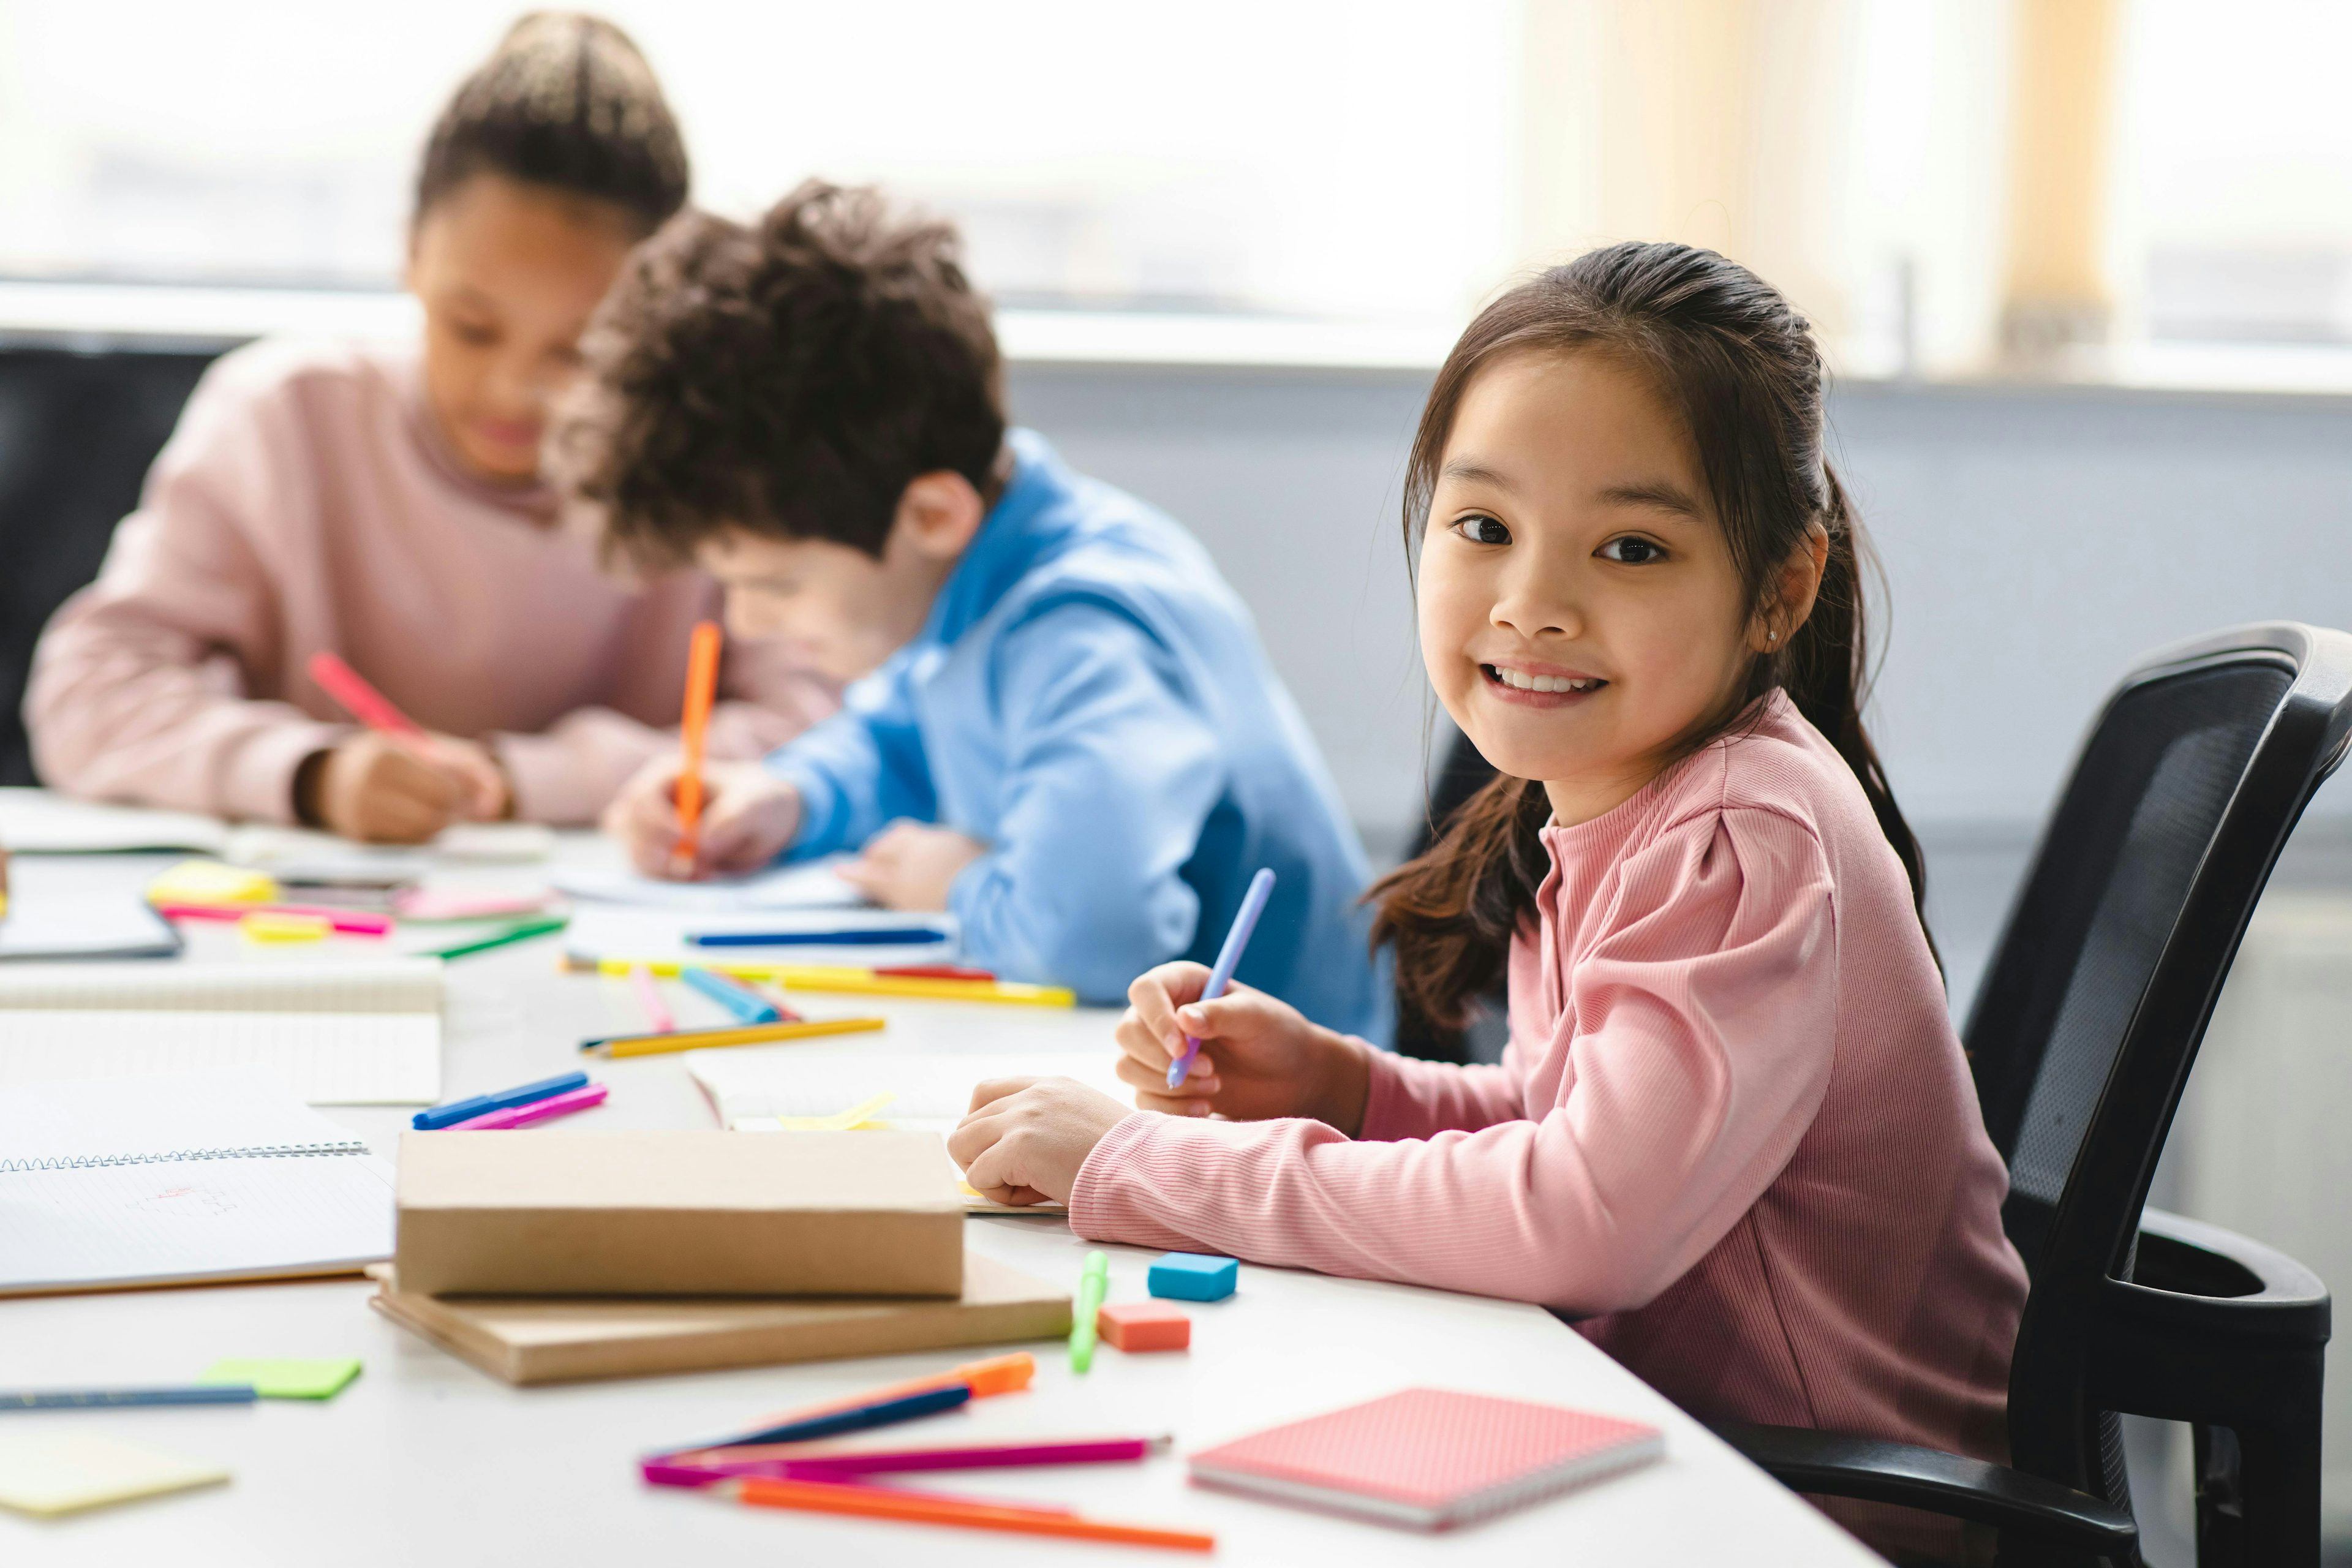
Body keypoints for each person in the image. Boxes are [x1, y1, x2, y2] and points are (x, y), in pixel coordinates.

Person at [947, 244, 2028, 1559]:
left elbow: (1589, 1218)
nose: (1533, 604)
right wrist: (1344, 1085)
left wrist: (1148, 1164)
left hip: (1802, 1503)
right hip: (1669, 1437)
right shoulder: (1621, 797)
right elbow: (1567, 1120)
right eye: (1483, 528)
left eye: (1631, 547)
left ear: (1780, 588)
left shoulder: (1743, 831)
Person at [570, 181, 1381, 1028]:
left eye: (775, 584)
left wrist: (954, 884)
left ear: (930, 514)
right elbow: (905, 745)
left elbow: (1098, 935)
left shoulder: (1081, 630)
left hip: (1300, 1121)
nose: (747, 623)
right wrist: (790, 797)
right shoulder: (972, 567)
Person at [25, 13, 833, 840]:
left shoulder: (714, 461)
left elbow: (833, 732)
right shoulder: (284, 417)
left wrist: (534, 783)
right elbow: (87, 695)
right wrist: (312, 774)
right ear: (410, 254)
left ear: (654, 311)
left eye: (581, 349)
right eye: (472, 327)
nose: (516, 391)